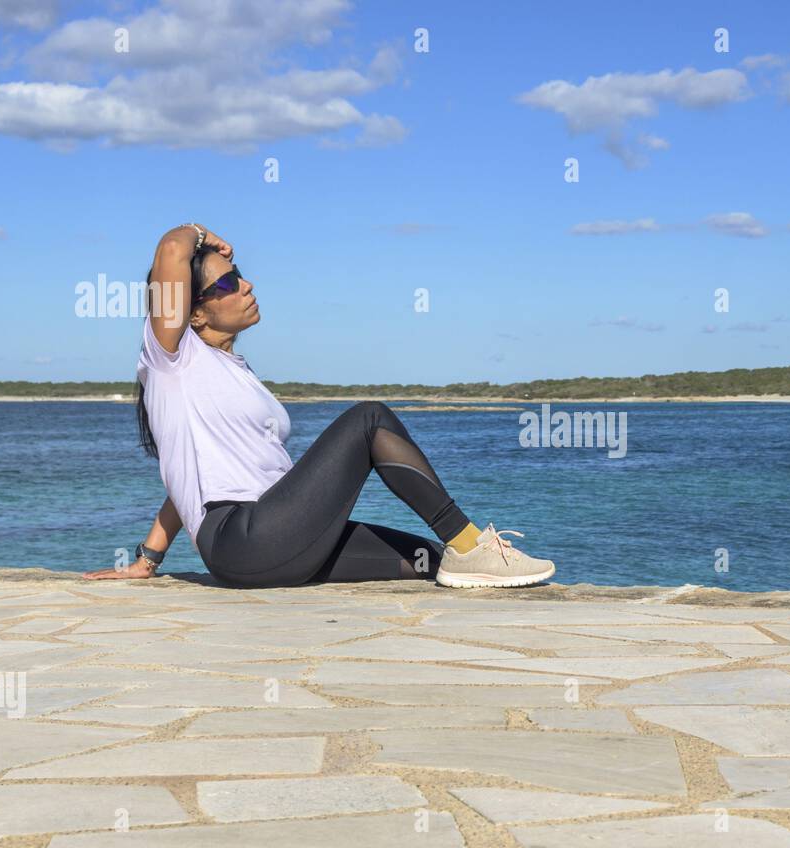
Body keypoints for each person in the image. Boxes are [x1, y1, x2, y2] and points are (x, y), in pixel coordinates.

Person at [84, 223, 554, 589]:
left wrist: (148, 559)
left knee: (429, 559)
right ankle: (473, 543)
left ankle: (464, 554)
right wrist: (205, 235)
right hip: (242, 539)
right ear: (195, 312)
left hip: (274, 539)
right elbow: (172, 249)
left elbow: (185, 480)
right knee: (369, 420)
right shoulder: (171, 359)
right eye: (228, 284)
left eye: (241, 277)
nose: (246, 286)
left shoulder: (233, 373)